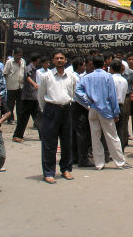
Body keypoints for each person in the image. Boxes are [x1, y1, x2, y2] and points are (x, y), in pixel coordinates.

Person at [75, 56, 131, 171]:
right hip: (105, 109)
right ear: (104, 65)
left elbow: (77, 91)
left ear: (93, 65)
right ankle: (120, 162)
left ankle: (99, 163)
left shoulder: (87, 77)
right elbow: (112, 96)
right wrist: (116, 112)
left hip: (93, 109)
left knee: (95, 137)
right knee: (112, 136)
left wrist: (87, 102)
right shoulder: (107, 77)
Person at [37, 50, 76, 184]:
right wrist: (45, 110)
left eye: (62, 58)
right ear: (52, 61)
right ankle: (48, 172)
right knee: (49, 143)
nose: (59, 60)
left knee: (66, 141)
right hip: (51, 109)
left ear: (65, 60)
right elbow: (41, 95)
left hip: (66, 109)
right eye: (57, 58)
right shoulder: (46, 76)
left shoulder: (71, 76)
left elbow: (73, 92)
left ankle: (66, 169)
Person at [70, 57, 94, 168]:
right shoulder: (78, 78)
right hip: (79, 107)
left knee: (78, 133)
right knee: (82, 134)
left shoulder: (80, 77)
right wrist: (88, 105)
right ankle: (82, 158)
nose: (86, 67)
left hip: (79, 107)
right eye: (85, 65)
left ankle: (75, 157)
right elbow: (78, 94)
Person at [13, 53, 42, 143]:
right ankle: (17, 135)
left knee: (38, 116)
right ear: (37, 60)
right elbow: (27, 77)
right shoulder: (29, 67)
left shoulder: (34, 69)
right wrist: (34, 84)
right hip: (28, 96)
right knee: (23, 117)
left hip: (34, 96)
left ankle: (43, 135)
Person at [110, 59, 128, 152]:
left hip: (112, 106)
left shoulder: (110, 79)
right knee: (120, 130)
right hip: (121, 105)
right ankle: (120, 151)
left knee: (111, 131)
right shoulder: (124, 80)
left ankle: (111, 151)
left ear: (112, 69)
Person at [4, 48, 25, 124]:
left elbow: (24, 72)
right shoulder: (9, 62)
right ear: (15, 55)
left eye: (21, 55)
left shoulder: (23, 61)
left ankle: (19, 119)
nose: (20, 56)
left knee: (20, 105)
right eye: (18, 55)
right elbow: (5, 73)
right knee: (10, 104)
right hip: (11, 87)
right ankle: (10, 119)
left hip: (20, 86)